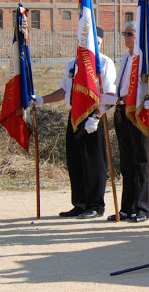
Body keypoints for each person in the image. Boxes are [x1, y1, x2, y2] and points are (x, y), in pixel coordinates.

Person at [32, 27, 116, 219]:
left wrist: (96, 117)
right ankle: (80, 203)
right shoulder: (72, 63)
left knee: (94, 162)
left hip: (93, 117)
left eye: (94, 40)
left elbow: (109, 94)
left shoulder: (104, 62)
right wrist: (42, 99)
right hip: (74, 116)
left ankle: (95, 205)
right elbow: (64, 91)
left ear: (100, 42)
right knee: (75, 161)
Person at [101, 21, 149, 223]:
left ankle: (142, 207)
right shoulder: (126, 57)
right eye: (124, 33)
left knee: (140, 161)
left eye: (130, 33)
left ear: (138, 36)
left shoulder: (143, 59)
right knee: (126, 162)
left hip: (136, 112)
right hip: (121, 110)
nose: (126, 37)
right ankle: (127, 207)